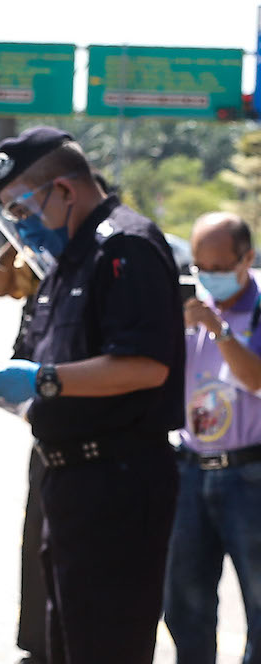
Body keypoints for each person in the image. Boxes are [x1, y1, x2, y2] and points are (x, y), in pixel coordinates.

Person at [0, 126, 184, 663]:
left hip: (119, 483)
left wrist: (44, 382)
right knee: (65, 644)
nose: (22, 225)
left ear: (64, 189)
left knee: (105, 645)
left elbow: (145, 365)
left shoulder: (124, 245)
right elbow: (37, 350)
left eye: (22, 208)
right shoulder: (67, 260)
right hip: (70, 481)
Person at [164, 212, 261, 663]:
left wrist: (218, 330)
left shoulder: (252, 310)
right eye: (202, 269)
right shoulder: (189, 305)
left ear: (248, 259)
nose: (210, 280)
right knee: (185, 607)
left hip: (249, 476)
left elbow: (255, 379)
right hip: (190, 472)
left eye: (221, 269)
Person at [0, 242, 47, 664]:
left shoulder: (78, 264)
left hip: (76, 421)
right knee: (38, 540)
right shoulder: (35, 259)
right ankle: (38, 643)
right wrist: (13, 239)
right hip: (44, 426)